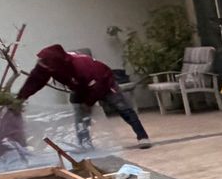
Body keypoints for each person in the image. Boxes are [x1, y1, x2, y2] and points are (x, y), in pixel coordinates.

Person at [15, 44, 152, 150]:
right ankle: (85, 145)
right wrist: (21, 98)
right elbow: (35, 81)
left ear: (56, 62)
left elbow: (97, 85)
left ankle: (142, 136)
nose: (42, 65)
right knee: (81, 116)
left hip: (104, 82)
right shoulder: (46, 66)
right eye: (41, 62)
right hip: (80, 87)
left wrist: (89, 102)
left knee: (123, 108)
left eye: (45, 62)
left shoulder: (80, 65)